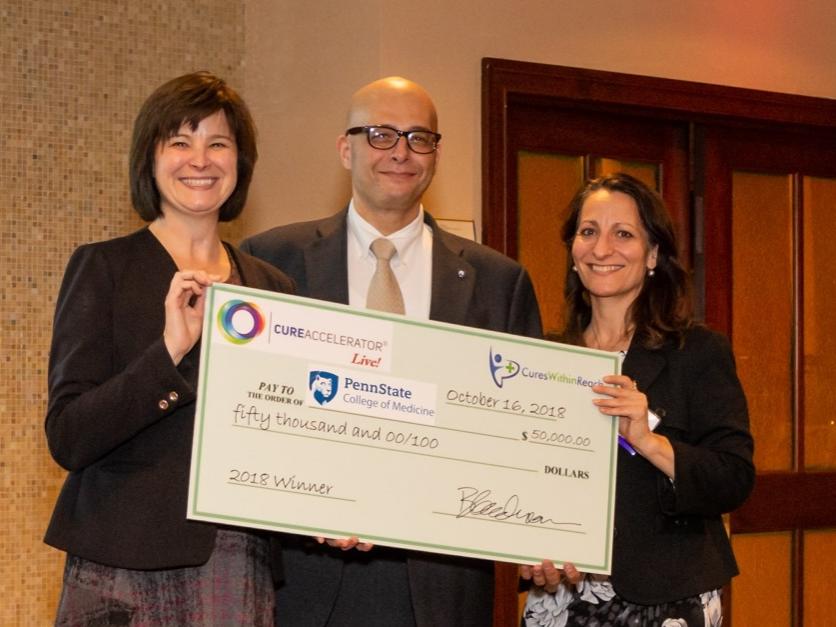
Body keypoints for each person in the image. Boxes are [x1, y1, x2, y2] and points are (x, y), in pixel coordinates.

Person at [240, 76, 543, 627]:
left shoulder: (500, 281)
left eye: (418, 137)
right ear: (345, 148)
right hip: (307, 580)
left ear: (436, 153)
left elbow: (522, 433)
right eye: (380, 134)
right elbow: (248, 417)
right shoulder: (270, 261)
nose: (400, 152)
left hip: (442, 585)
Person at [44, 71, 294, 626]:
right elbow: (68, 436)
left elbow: (292, 431)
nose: (199, 159)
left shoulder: (273, 287)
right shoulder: (104, 268)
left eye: (218, 143)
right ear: (150, 159)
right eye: (179, 141)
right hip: (124, 565)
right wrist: (167, 353)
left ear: (240, 162)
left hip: (237, 560)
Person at [520, 173, 755, 626]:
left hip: (668, 598)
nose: (602, 248)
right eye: (588, 231)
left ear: (652, 255)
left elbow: (734, 480)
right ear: (572, 250)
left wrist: (648, 441)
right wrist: (527, 549)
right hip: (562, 595)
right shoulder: (542, 359)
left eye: (623, 234)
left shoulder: (698, 352)